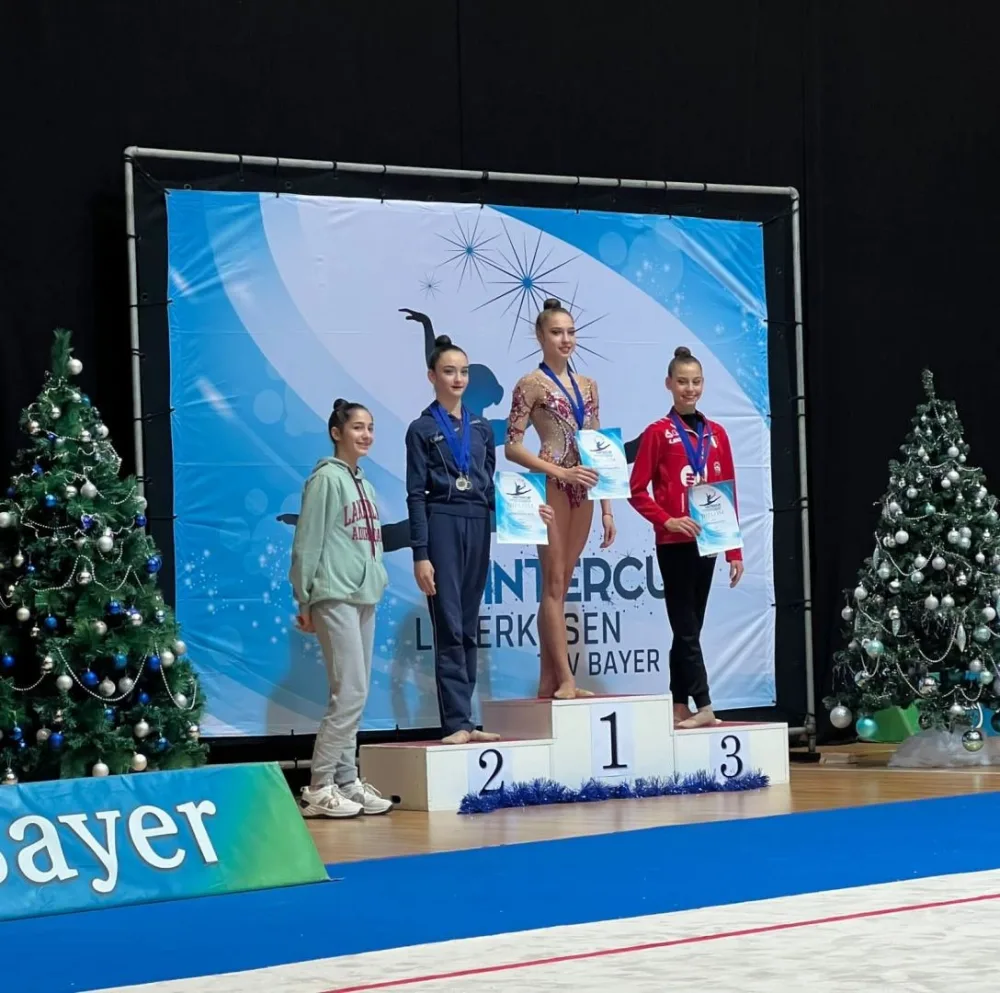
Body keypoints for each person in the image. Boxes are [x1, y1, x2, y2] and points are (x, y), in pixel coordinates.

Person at [406, 335, 554, 743]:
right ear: (432, 376)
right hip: (442, 523)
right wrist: (421, 553)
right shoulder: (421, 429)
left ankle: (467, 722)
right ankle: (454, 721)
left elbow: (489, 489)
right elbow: (415, 494)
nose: (458, 378)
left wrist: (527, 509)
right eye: (449, 371)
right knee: (449, 623)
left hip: (476, 522)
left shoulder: (481, 429)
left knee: (469, 624)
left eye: (464, 371)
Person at [504, 299, 616, 700]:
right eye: (556, 332)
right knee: (552, 585)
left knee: (562, 585)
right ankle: (565, 677)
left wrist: (606, 507)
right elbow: (512, 447)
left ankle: (550, 680)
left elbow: (598, 445)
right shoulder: (529, 384)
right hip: (549, 487)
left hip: (584, 489)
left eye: (570, 332)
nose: (565, 339)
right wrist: (559, 472)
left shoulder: (589, 385)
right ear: (540, 336)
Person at [628, 346, 744, 728]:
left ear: (702, 385)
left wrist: (734, 550)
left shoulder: (717, 434)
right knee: (686, 627)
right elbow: (637, 489)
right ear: (669, 384)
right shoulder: (658, 433)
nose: (689, 389)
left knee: (689, 627)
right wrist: (668, 520)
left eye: (695, 382)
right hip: (674, 544)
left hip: (708, 542)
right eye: (682, 382)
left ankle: (680, 705)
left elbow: (727, 492)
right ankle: (705, 703)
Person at [289, 399, 393, 817]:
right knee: (349, 692)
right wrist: (305, 596)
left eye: (370, 428)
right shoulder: (325, 480)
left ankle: (347, 781)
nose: (365, 435)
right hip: (333, 593)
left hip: (363, 595)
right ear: (337, 432)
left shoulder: (364, 484)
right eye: (357, 428)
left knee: (355, 692)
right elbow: (308, 541)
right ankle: (319, 784)